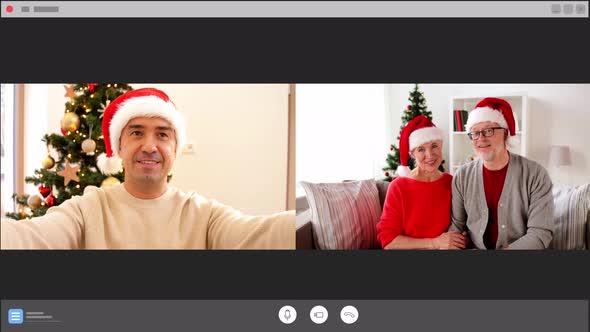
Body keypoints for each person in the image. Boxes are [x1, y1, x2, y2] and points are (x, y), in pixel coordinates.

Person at [1, 88, 294, 249]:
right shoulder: (86, 209)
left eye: (163, 134)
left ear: (174, 150)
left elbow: (261, 234)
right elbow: (31, 238)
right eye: (137, 133)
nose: (150, 146)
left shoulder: (203, 213)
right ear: (119, 148)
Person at [449, 97, 554, 249]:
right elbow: (457, 227)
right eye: (475, 133)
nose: (481, 139)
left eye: (488, 130)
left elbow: (540, 233)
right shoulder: (462, 176)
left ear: (505, 133)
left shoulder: (536, 175)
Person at [377, 115, 467, 250]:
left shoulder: (451, 182)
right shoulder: (398, 187)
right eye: (421, 149)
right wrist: (434, 243)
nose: (430, 155)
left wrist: (463, 239)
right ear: (412, 154)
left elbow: (463, 226)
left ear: (441, 146)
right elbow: (389, 242)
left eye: (434, 146)